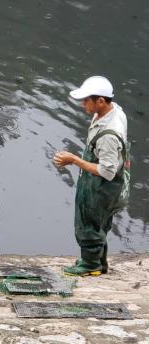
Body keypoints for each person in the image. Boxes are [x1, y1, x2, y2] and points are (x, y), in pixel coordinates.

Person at [53, 76, 130, 276]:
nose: (82, 103)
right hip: (106, 182)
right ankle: (97, 260)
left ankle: (90, 265)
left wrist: (74, 160)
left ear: (101, 101)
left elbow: (107, 171)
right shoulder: (115, 111)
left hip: (101, 185)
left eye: (86, 100)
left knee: (88, 221)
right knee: (100, 222)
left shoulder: (109, 135)